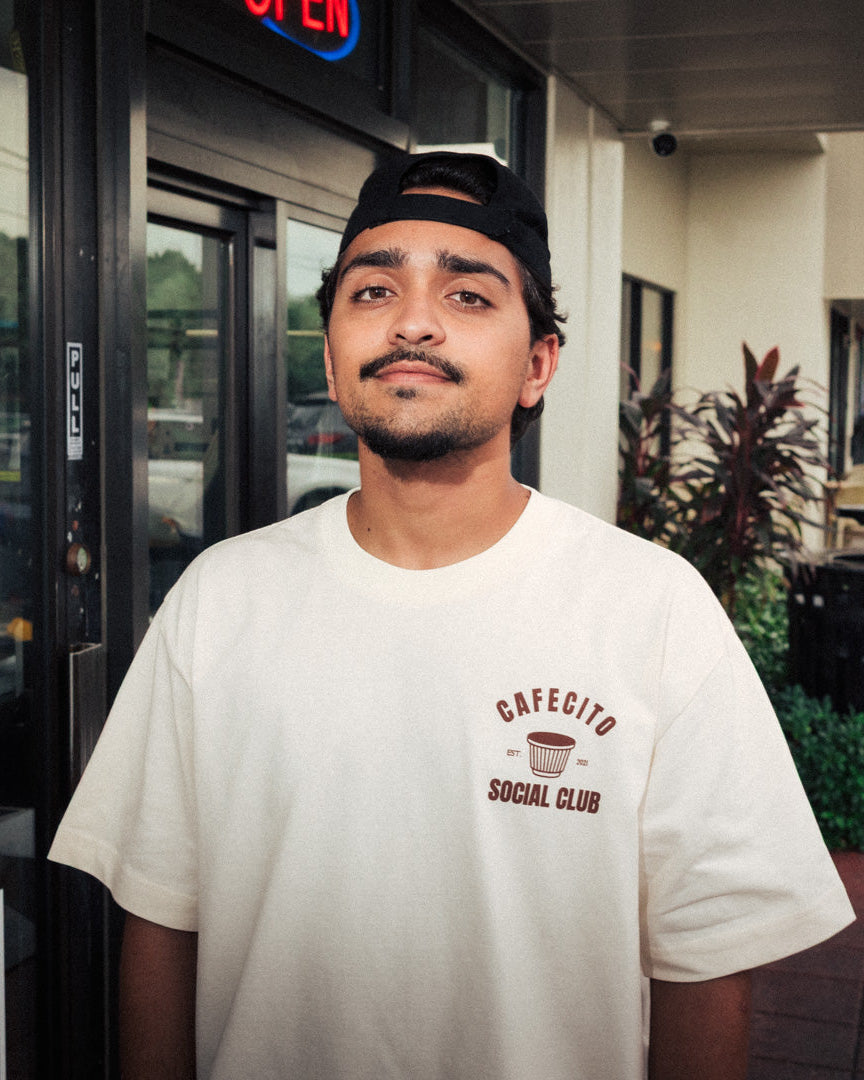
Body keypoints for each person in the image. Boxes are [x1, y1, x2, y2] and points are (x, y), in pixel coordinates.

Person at [49, 151, 854, 1080]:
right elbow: (161, 925)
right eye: (374, 289)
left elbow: (706, 973)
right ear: (332, 352)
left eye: (468, 296)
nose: (414, 321)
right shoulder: (220, 599)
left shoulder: (652, 612)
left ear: (538, 365)